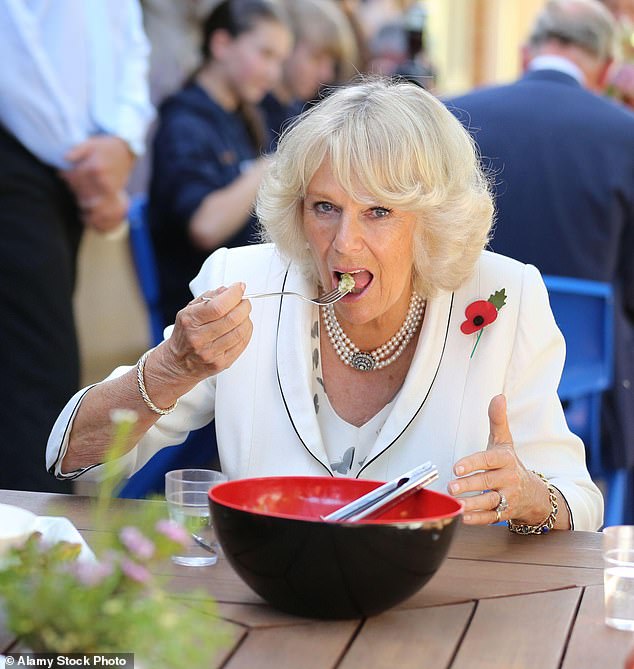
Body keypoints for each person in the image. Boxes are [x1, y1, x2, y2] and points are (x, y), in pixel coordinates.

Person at [47, 78, 603, 532]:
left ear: (432, 221)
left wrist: (529, 496)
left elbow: (579, 504)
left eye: (378, 211)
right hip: (272, 600)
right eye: (324, 207)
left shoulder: (503, 298)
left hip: (440, 617)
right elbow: (76, 461)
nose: (343, 243)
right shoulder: (245, 284)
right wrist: (172, 368)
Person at [445, 0, 634, 520]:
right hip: (587, 359)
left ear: (528, 53)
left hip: (464, 337)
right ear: (602, 67)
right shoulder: (625, 132)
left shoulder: (455, 113)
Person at [0, 0, 154, 493]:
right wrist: (90, 168)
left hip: (74, 167)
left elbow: (130, 44)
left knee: (36, 370)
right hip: (25, 155)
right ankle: (38, 556)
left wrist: (123, 143)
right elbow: (13, 50)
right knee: (36, 374)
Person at [149, 0, 292, 326]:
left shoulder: (245, 114)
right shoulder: (184, 123)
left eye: (280, 60)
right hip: (202, 311)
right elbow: (205, 226)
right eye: (265, 54)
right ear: (221, 44)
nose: (274, 72)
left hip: (246, 296)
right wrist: (267, 168)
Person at [260, 0, 359, 147]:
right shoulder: (251, 115)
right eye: (316, 58)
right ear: (286, 46)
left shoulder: (301, 116)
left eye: (332, 63)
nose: (326, 75)